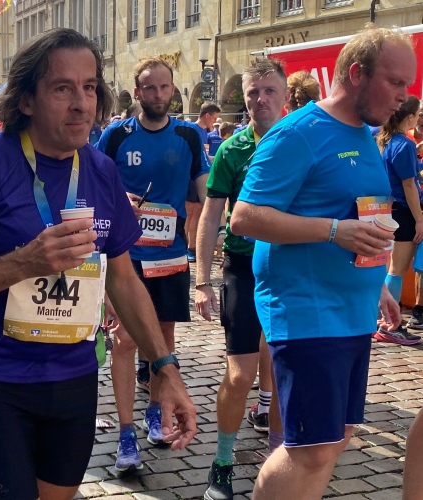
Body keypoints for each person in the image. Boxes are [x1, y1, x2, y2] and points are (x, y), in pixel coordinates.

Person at [0, 30, 197, 499]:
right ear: (26, 100)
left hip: (74, 377)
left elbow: (123, 279)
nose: (81, 103)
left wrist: (165, 369)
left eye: (89, 87)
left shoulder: (101, 170)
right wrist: (22, 263)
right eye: (62, 88)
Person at [229, 26, 411, 499]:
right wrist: (332, 231)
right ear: (357, 74)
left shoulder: (364, 134)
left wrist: (379, 284)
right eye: (395, 82)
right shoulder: (299, 133)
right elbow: (244, 217)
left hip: (353, 312)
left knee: (335, 439)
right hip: (306, 312)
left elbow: (360, 214)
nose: (403, 95)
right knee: (309, 448)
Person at [94, 56, 208, 472]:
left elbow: (207, 192)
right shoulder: (116, 135)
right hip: (126, 256)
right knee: (124, 341)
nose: (157, 95)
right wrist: (119, 200)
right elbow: (93, 183)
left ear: (173, 90)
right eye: (149, 88)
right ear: (138, 91)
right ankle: (126, 432)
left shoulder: (190, 135)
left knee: (163, 340)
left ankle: (156, 411)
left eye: (164, 87)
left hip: (171, 257)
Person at [195, 58, 289, 500]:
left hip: (290, 271)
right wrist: (201, 281)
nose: (260, 99)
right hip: (244, 269)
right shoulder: (232, 150)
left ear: (285, 95)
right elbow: (211, 214)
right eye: (253, 92)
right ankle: (222, 462)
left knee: (285, 369)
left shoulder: (300, 142)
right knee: (239, 374)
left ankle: (277, 457)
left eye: (269, 91)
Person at [372, 95, 423, 345]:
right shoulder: (403, 144)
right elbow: (409, 185)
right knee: (397, 270)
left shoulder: (387, 140)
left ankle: (384, 320)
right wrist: (419, 219)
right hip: (404, 211)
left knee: (390, 267)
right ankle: (391, 324)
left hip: (390, 208)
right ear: (410, 117)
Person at [187, 102, 221, 262]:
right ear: (207, 115)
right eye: (214, 118)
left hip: (202, 175)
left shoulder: (205, 132)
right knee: (190, 212)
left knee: (198, 211)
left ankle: (192, 246)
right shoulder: (193, 129)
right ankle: (185, 246)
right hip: (191, 177)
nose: (214, 123)